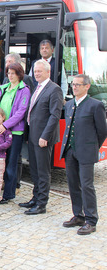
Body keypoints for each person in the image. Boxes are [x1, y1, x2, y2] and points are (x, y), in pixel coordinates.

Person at [60, 74, 107, 235]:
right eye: (73, 85)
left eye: (78, 85)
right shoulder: (70, 104)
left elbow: (102, 131)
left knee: (87, 185)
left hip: (86, 151)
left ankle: (91, 220)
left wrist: (92, 147)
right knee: (73, 184)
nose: (75, 87)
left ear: (87, 86)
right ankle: (78, 215)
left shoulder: (95, 105)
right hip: (70, 150)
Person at [19, 59, 63, 215]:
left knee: (43, 172)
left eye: (40, 71)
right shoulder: (36, 87)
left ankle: (41, 204)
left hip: (43, 138)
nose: (37, 74)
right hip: (33, 135)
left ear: (48, 72)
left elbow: (54, 116)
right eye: (35, 71)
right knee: (34, 170)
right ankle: (35, 198)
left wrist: (45, 136)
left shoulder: (54, 89)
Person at [0, 63, 31, 203]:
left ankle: (9, 194)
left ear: (19, 74)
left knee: (11, 164)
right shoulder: (4, 89)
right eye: (9, 73)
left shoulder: (24, 90)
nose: (10, 76)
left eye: (13, 73)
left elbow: (21, 112)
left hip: (14, 132)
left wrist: (5, 125)